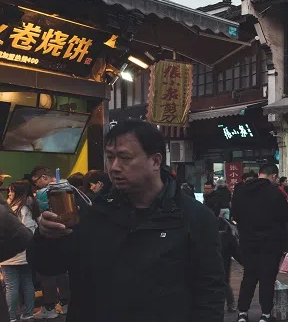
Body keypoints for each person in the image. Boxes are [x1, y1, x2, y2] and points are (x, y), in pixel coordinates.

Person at [28, 120, 224, 322]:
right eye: (110, 157)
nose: (114, 167)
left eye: (124, 158)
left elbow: (210, 291)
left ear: (155, 161)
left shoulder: (194, 217)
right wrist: (45, 237)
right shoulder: (89, 211)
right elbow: (49, 267)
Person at [231, 162, 288, 322]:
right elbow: (286, 215)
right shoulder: (274, 193)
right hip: (270, 244)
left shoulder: (240, 190)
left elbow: (235, 216)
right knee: (267, 278)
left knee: (249, 277)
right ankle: (265, 314)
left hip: (247, 242)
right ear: (273, 176)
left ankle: (242, 312)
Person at [30, 166, 69, 319]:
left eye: (37, 181)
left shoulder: (43, 193)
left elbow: (40, 213)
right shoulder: (69, 187)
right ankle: (65, 304)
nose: (36, 185)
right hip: (68, 237)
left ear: (45, 177)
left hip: (49, 237)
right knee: (64, 273)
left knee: (48, 274)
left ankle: (49, 307)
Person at [2, 181, 38, 322]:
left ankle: (11, 317)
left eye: (11, 191)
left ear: (17, 192)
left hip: (11, 255)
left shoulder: (13, 210)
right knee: (27, 284)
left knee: (11, 287)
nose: (9, 194)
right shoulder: (31, 207)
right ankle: (28, 314)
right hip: (27, 254)